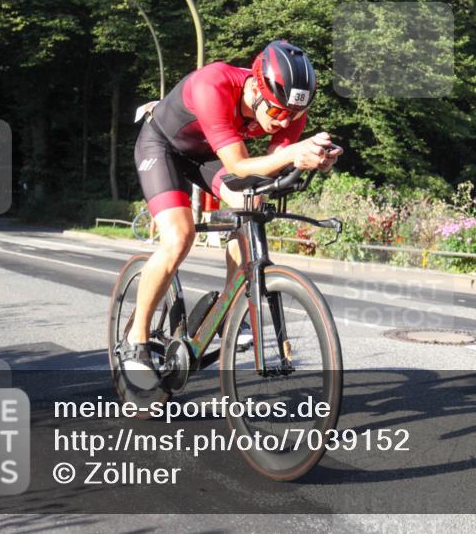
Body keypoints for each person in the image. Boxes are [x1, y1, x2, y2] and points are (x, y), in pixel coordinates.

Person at [125, 40, 342, 386]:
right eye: (275, 112)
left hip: (207, 154)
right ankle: (136, 343)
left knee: (251, 202)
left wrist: (315, 160)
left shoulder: (287, 108)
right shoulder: (215, 84)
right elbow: (240, 164)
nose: (283, 121)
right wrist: (292, 155)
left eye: (293, 115)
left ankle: (230, 310)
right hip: (162, 146)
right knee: (179, 237)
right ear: (256, 88)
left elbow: (268, 175)